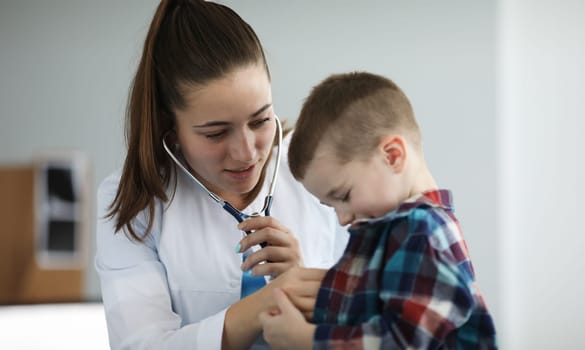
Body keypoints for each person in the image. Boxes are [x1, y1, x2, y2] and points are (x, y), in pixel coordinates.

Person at [95, 1, 347, 349]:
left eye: (260, 120)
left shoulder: (317, 167)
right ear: (171, 131)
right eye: (215, 133)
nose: (246, 153)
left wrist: (306, 290)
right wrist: (271, 298)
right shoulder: (134, 200)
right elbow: (142, 345)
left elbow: (371, 320)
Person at [259, 71, 498, 349]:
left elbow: (404, 341)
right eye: (330, 205)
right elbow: (362, 310)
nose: (343, 218)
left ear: (392, 155)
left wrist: (307, 340)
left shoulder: (424, 231)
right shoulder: (393, 229)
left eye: (344, 196)